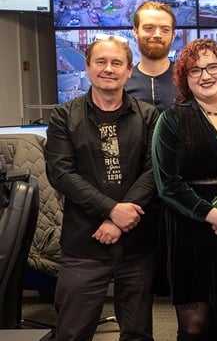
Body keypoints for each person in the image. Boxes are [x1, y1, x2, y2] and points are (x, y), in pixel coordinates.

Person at [45, 35, 159, 341]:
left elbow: (153, 172)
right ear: (87, 67)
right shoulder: (63, 117)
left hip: (137, 245)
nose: (108, 69)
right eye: (101, 61)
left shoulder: (148, 116)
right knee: (72, 332)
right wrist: (111, 211)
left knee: (137, 333)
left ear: (128, 70)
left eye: (116, 63)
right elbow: (61, 174)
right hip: (84, 244)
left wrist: (119, 221)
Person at [152, 38, 217, 341]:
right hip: (191, 231)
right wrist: (212, 216)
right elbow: (167, 184)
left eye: (212, 67)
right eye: (195, 71)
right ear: (184, 79)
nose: (205, 76)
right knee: (195, 325)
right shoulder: (171, 120)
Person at [126, 0, 177, 112]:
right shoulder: (122, 83)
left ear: (173, 36)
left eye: (165, 30)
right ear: (135, 31)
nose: (157, 35)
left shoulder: (188, 81)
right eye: (149, 28)